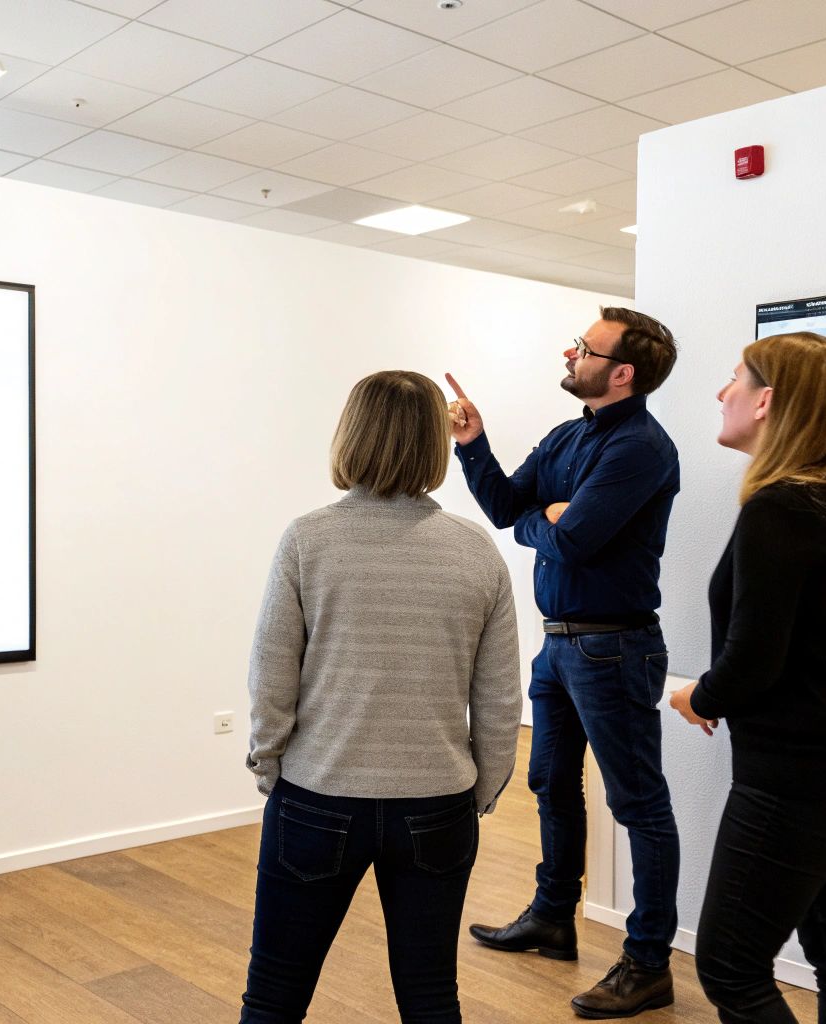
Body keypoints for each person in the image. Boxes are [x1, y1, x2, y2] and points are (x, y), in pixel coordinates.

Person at [241, 370, 524, 1024]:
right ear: (436, 444)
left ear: (350, 434)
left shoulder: (307, 539)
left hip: (317, 799)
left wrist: (269, 763)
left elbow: (272, 671)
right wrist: (484, 786)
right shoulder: (476, 550)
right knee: (430, 996)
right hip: (437, 805)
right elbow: (500, 698)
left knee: (274, 997)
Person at [667, 331, 826, 1024]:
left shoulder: (780, 508)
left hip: (803, 780)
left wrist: (699, 695)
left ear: (768, 400)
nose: (723, 395)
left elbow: (755, 660)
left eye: (734, 381)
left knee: (728, 964)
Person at [451, 308, 683, 1019]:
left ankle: (648, 963)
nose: (570, 352)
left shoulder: (642, 447)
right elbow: (502, 509)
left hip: (615, 646)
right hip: (560, 645)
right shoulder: (568, 434)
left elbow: (577, 541)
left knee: (637, 803)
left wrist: (559, 521)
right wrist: (474, 444)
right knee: (550, 779)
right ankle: (553, 917)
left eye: (585, 348)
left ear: (622, 373)